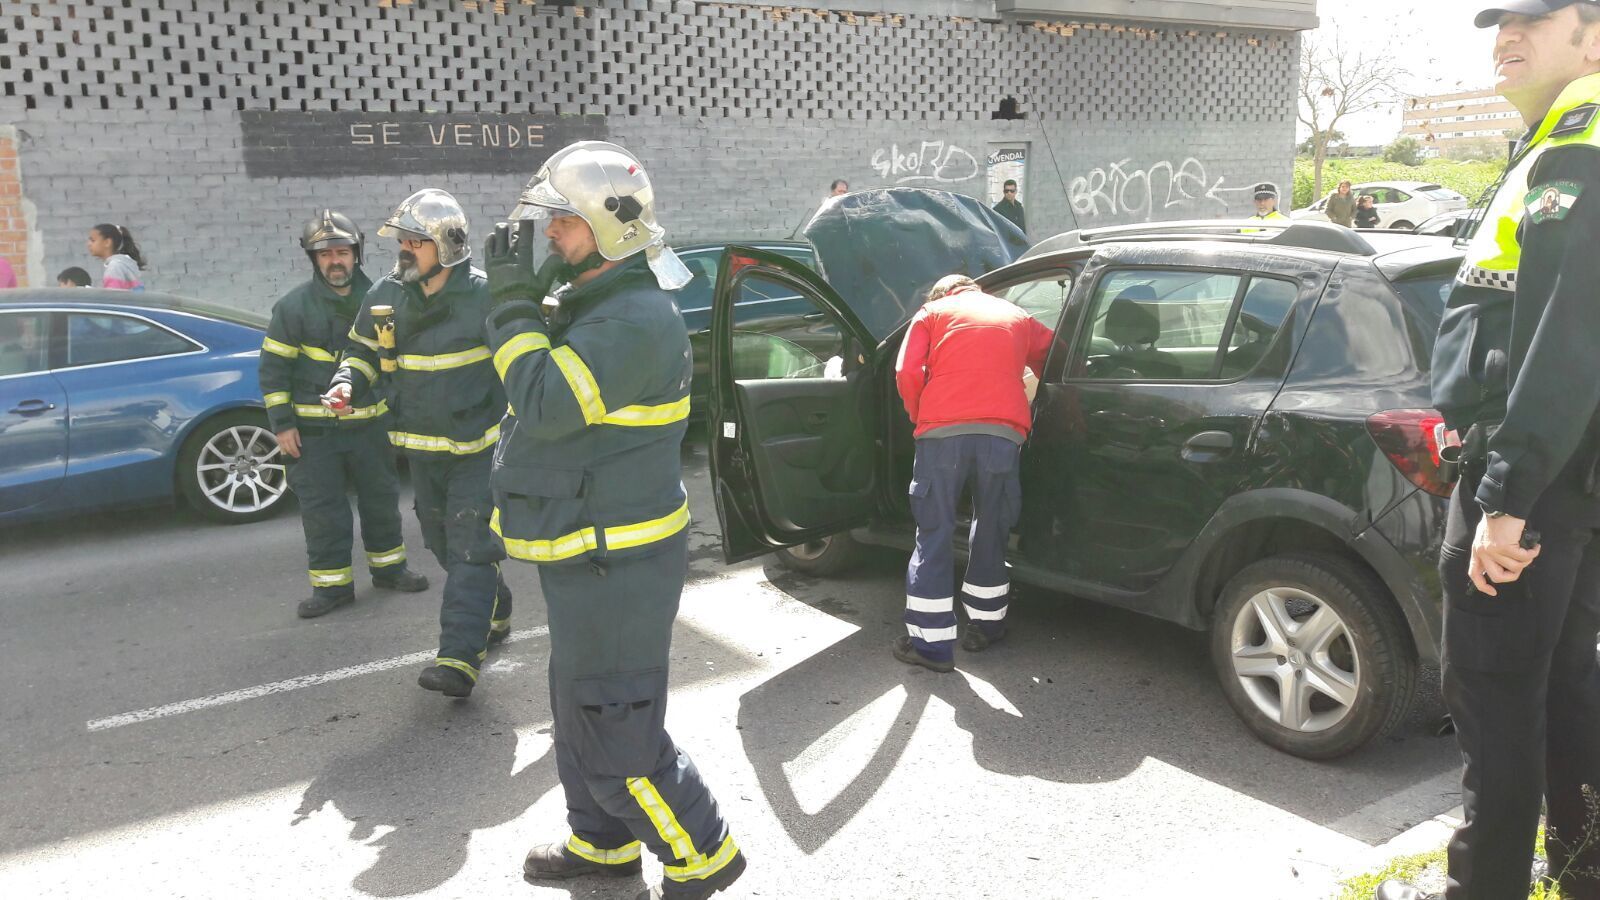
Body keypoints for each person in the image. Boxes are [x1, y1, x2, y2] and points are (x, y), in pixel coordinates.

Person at [482, 141, 745, 900]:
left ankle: (704, 853)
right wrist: (520, 301)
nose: (549, 237)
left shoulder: (633, 319)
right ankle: (601, 848)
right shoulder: (593, 303)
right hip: (588, 555)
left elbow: (545, 401)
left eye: (561, 222)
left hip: (616, 565)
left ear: (608, 224)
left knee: (613, 728)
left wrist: (511, 306)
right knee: (578, 711)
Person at [1378, 2, 1600, 899]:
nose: (1507, 36)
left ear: (1593, 34)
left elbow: (1567, 333)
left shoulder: (1576, 147)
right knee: (1565, 693)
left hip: (1530, 482)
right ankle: (1583, 872)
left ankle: (1485, 886)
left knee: (1493, 698)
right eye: (1499, 21)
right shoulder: (1556, 139)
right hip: (1567, 476)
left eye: (1536, 19)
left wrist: (1505, 496)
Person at [326, 189, 512, 698]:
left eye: (416, 242)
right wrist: (346, 382)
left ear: (447, 246)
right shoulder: (385, 293)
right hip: (423, 452)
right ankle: (494, 609)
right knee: (442, 543)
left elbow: (520, 360)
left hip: (479, 449)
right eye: (402, 241)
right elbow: (361, 350)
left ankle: (458, 657)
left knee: (471, 543)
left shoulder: (484, 294)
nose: (404, 250)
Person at [259, 211, 428, 619]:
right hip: (315, 434)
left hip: (371, 428)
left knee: (381, 503)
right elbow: (273, 370)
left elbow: (397, 362)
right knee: (324, 513)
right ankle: (332, 588)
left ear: (356, 254)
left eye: (342, 252)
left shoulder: (384, 300)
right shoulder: (293, 308)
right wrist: (282, 426)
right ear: (313, 260)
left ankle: (390, 571)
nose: (335, 261)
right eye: (325, 254)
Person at [891, 274, 1054, 672]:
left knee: (935, 530)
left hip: (942, 433)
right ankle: (985, 625)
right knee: (992, 524)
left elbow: (907, 372)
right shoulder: (1018, 315)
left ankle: (931, 647)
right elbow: (1054, 354)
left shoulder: (931, 313)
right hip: (1003, 433)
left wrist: (919, 415)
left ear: (942, 293)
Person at [87, 223, 145, 290]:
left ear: (107, 242)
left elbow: (113, 297)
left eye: (93, 240)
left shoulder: (114, 267)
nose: (89, 244)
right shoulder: (122, 264)